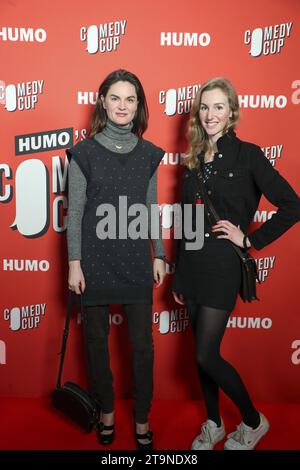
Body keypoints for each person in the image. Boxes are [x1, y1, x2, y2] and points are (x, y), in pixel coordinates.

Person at [172, 77, 300, 450]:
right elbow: (187, 223)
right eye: (205, 107)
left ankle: (253, 421)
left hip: (223, 266)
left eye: (218, 107)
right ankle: (213, 423)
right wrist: (180, 274)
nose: (210, 114)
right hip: (193, 266)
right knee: (200, 357)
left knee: (205, 353)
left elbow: (293, 205)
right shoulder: (193, 161)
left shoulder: (249, 155)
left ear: (231, 113)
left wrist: (250, 238)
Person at [66, 69, 166, 450]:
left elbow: (150, 207)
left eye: (130, 99)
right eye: (116, 98)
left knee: (142, 347)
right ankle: (106, 413)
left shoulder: (149, 153)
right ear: (103, 101)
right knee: (95, 342)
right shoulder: (85, 152)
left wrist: (159, 254)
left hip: (135, 260)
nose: (122, 106)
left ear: (138, 105)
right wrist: (74, 262)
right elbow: (75, 212)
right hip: (94, 260)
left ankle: (142, 419)